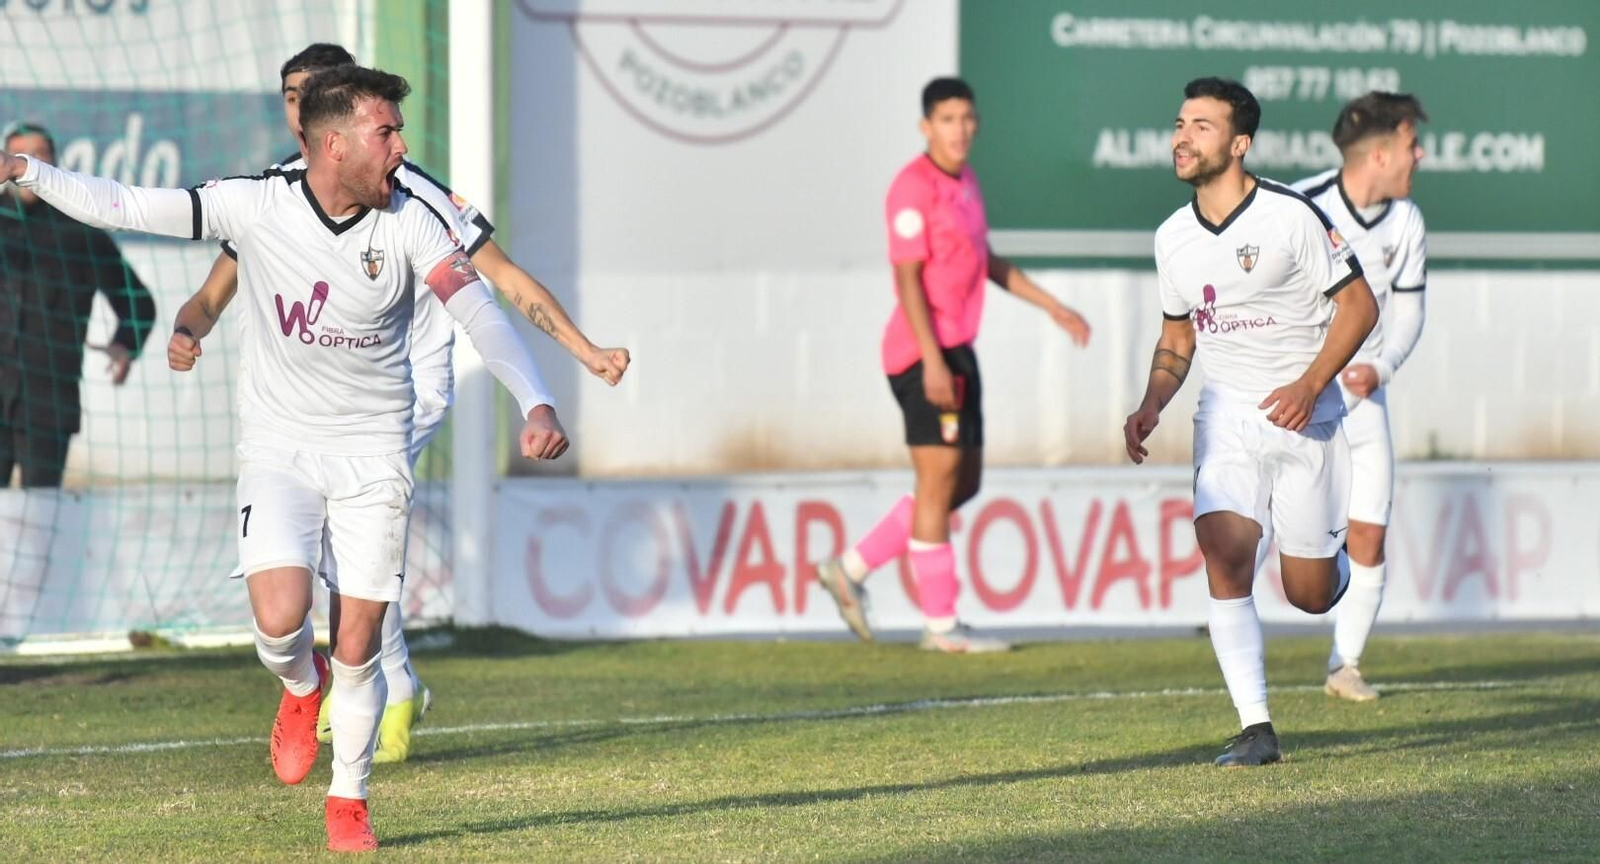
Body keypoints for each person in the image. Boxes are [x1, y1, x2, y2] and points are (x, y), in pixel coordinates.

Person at [2, 64, 568, 851]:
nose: (401, 149)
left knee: (363, 641)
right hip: (279, 447)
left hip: (374, 451)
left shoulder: (410, 221)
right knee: (280, 621)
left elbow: (480, 313)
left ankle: (350, 798)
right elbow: (130, 205)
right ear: (334, 145)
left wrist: (534, 400)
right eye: (386, 132)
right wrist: (30, 169)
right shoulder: (257, 203)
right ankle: (301, 685)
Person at [170, 42, 630, 765]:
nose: (299, 102)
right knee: (312, 560)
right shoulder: (279, 193)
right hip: (314, 405)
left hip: (403, 390)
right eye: (291, 92)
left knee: (342, 553)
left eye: (313, 89)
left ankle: (368, 696)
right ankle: (377, 680)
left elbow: (499, 283)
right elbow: (215, 288)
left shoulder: (408, 192)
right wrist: (187, 326)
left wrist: (582, 355)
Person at [1123, 78, 1377, 767]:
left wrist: (1310, 382)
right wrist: (1152, 403)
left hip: (1308, 416)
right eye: (1180, 123)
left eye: (1202, 126)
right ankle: (1256, 726)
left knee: (1309, 595)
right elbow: (1178, 339)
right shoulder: (1171, 237)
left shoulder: (1290, 216)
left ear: (1239, 144)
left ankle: (1339, 568)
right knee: (1226, 556)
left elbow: (1360, 308)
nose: (1182, 136)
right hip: (1228, 412)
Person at [816, 77, 1091, 653]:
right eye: (947, 119)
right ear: (926, 126)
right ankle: (941, 627)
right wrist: (933, 361)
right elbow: (908, 279)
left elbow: (985, 260)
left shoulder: (966, 182)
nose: (960, 129)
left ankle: (852, 567)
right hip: (922, 353)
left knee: (961, 483)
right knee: (937, 482)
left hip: (957, 349)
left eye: (968, 118)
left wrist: (1052, 306)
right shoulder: (911, 187)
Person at [1287, 92, 1429, 703]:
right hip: (1303, 399)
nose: (1418, 155)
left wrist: (1382, 367)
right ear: (1379, 153)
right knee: (1284, 544)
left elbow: (1411, 313)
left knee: (1370, 537)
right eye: (1409, 144)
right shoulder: (1304, 205)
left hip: (1364, 400)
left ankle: (1345, 665)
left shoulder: (1406, 220)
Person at [0, 121, 155, 487]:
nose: (26, 162)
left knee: (41, 522)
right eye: (18, 154)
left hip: (48, 405)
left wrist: (125, 345)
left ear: (52, 162)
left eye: (37, 155)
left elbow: (138, 302)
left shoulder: (79, 229)